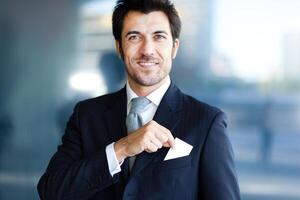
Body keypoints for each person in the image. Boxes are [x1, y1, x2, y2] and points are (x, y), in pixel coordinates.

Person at [37, 0, 240, 199]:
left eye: (159, 37)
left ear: (174, 47)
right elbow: (51, 191)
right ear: (119, 47)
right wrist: (120, 149)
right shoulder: (87, 115)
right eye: (134, 37)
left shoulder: (206, 122)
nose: (147, 50)